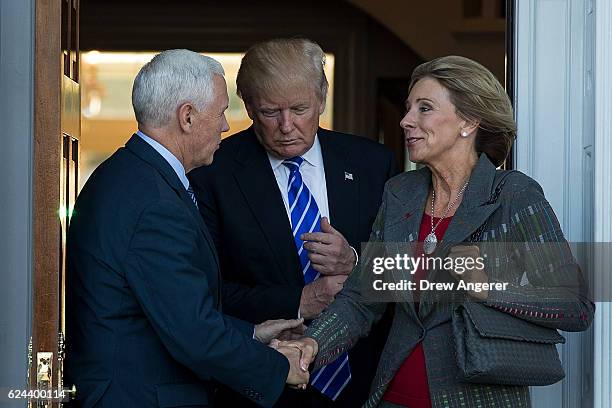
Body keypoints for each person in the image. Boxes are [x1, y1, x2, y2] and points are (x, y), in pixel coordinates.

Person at [282, 55, 595, 408]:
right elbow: (362, 298)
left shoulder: (513, 194)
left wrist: (489, 286)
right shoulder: (401, 193)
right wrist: (313, 343)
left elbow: (575, 306)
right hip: (394, 396)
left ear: (468, 121)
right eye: (408, 108)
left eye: (424, 108)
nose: (405, 120)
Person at [64, 49, 310, 408]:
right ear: (188, 117)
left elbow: (171, 309)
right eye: (222, 111)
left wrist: (253, 333)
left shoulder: (133, 174)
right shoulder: (153, 201)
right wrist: (279, 367)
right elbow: (193, 333)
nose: (226, 126)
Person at [188, 38, 399, 407]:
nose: (287, 126)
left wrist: (354, 260)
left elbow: (407, 272)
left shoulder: (373, 164)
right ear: (248, 106)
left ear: (321, 98)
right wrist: (299, 300)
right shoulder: (213, 173)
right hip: (262, 386)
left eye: (300, 109)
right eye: (271, 112)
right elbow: (206, 293)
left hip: (365, 381)